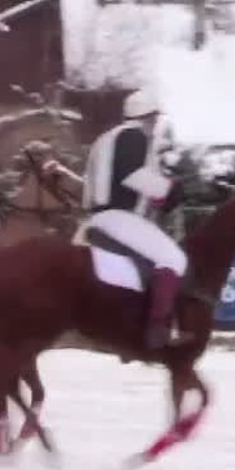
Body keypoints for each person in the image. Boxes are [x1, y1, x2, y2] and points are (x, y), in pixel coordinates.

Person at [46, 88, 189, 350]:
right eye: (155, 117)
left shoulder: (104, 139)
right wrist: (170, 189)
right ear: (147, 116)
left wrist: (161, 195)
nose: (156, 123)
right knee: (174, 259)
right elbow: (134, 177)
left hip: (97, 217)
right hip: (121, 218)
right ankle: (158, 329)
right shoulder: (134, 136)